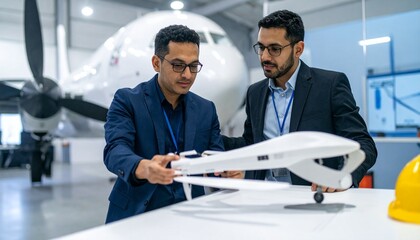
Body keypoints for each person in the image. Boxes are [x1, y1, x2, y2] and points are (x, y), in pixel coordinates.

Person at [223, 10, 377, 192]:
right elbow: (251, 143)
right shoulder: (255, 93)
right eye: (261, 47)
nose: (264, 56)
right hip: (263, 195)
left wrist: (343, 177)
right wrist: (209, 136)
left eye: (274, 49)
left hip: (313, 195)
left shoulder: (329, 85)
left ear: (298, 49)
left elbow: (363, 144)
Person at [103, 25, 241, 223]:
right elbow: (115, 150)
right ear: (156, 63)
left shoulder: (206, 109)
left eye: (193, 66)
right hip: (136, 214)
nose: (187, 75)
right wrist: (144, 167)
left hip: (191, 214)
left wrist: (226, 173)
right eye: (178, 65)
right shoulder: (127, 100)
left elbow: (214, 159)